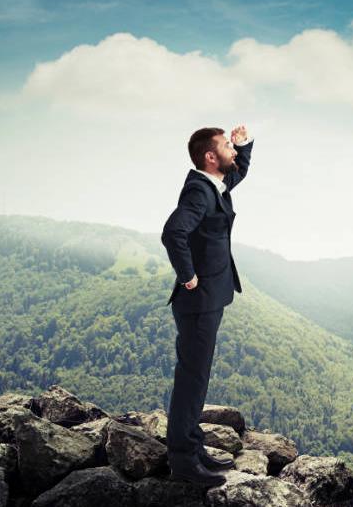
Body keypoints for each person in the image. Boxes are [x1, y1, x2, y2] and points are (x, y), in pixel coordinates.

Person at [159, 125, 254, 486]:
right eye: (228, 147)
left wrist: (244, 146)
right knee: (191, 380)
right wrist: (188, 275)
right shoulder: (199, 191)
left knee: (197, 380)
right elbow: (173, 232)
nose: (233, 151)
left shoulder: (216, 183)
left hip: (208, 300)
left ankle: (193, 448)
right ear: (210, 157)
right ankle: (183, 462)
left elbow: (238, 171)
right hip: (197, 302)